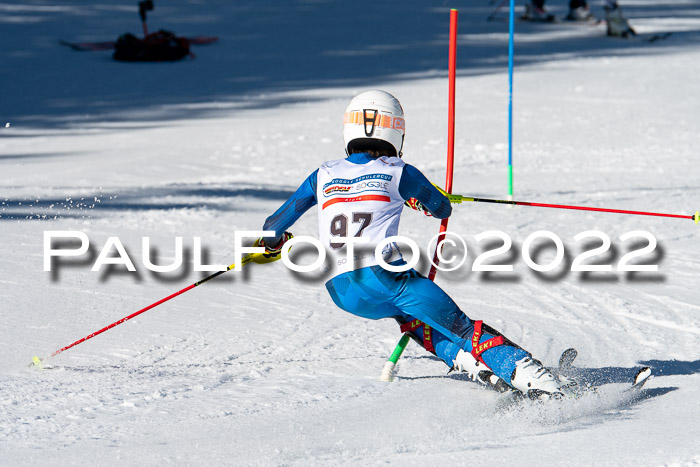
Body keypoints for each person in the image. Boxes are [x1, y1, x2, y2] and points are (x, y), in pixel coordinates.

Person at [256, 90, 574, 399]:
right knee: (463, 329)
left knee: (414, 321)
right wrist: (421, 200)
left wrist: (276, 244)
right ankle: (544, 385)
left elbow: (272, 227)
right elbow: (441, 207)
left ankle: (478, 369)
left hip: (341, 289)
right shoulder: (398, 171)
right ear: (397, 132)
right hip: (384, 276)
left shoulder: (323, 174)